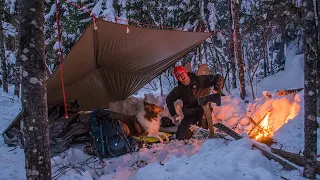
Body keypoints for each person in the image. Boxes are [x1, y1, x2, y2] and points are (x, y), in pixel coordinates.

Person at [166, 66, 224, 140]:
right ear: (177, 79)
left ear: (186, 73)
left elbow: (219, 77)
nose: (181, 75)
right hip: (190, 113)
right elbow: (169, 99)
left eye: (182, 72)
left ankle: (203, 129)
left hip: (204, 109)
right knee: (181, 136)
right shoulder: (178, 90)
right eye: (178, 75)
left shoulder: (200, 80)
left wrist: (217, 89)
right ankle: (193, 129)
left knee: (203, 131)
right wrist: (173, 114)